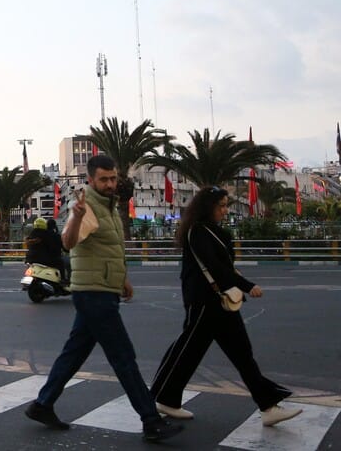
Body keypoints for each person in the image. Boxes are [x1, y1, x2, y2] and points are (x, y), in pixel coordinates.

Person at [24, 155, 183, 442]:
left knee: (74, 353)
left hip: (101, 289)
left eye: (113, 179)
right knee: (124, 357)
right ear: (91, 180)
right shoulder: (86, 207)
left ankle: (42, 405)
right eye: (104, 180)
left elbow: (110, 248)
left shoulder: (110, 206)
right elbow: (68, 242)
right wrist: (79, 217)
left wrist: (122, 278)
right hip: (93, 293)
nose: (110, 184)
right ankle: (151, 420)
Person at [150, 186, 302, 427]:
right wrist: (247, 285)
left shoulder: (213, 231)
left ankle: (268, 406)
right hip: (203, 302)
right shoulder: (197, 232)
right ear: (207, 207)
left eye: (225, 205)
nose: (224, 210)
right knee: (188, 350)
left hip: (219, 302)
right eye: (220, 205)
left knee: (240, 353)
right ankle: (163, 398)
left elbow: (225, 265)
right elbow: (216, 267)